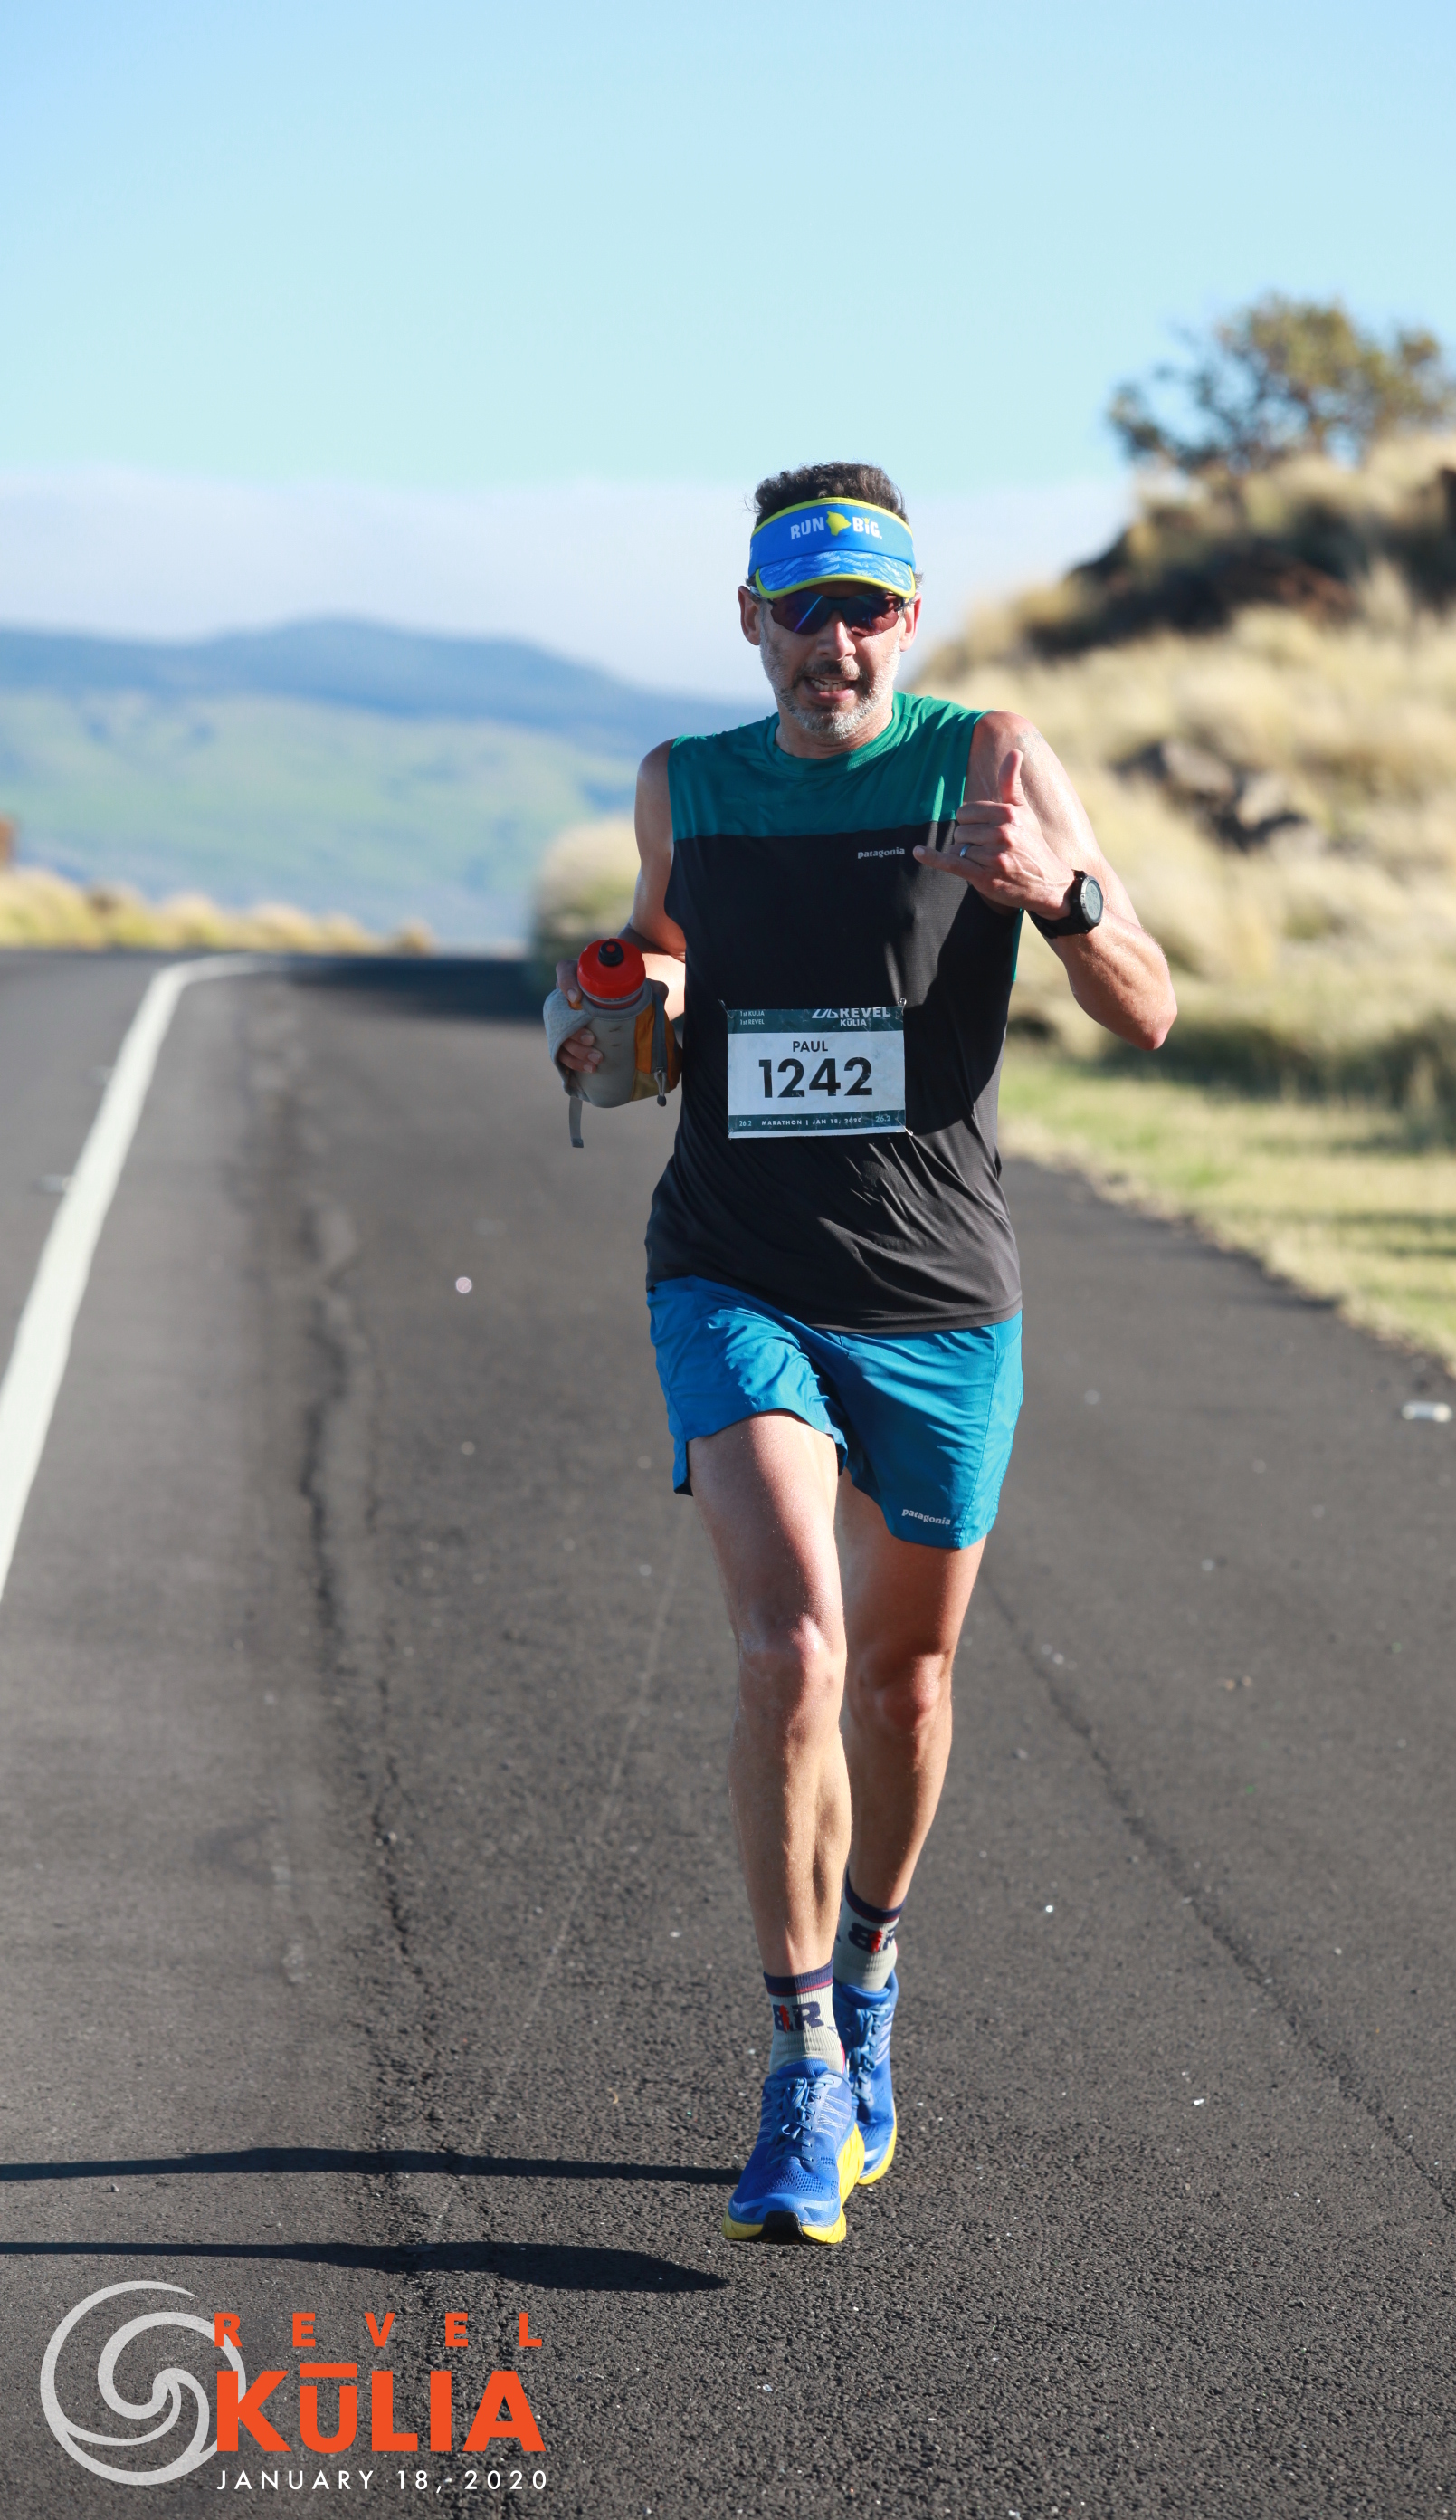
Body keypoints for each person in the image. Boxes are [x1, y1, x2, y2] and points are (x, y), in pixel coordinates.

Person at [555, 461, 1175, 2245]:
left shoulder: (992, 762)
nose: (834, 643)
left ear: (909, 618)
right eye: (802, 610)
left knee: (904, 1683)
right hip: (732, 1269)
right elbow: (659, 991)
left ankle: (875, 1973)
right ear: (750, 619)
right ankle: (800, 2056)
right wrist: (609, 1024)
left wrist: (1059, 893)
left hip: (936, 1296)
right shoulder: (686, 785)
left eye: (868, 610)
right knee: (792, 1652)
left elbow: (1149, 1007)